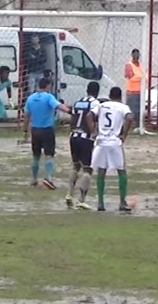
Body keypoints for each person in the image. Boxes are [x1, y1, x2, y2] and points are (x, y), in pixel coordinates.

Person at [86, 87, 134, 212]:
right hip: (114, 141)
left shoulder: (102, 105)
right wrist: (124, 134)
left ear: (109, 95)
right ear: (120, 96)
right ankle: (122, 202)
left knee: (101, 170)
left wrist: (93, 131)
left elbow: (89, 115)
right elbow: (129, 118)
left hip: (101, 141)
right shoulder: (123, 107)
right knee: (121, 171)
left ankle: (100, 203)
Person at [24, 78, 72, 189]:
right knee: (49, 155)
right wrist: (70, 111)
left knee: (35, 156)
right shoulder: (49, 97)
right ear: (47, 86)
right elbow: (59, 106)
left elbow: (27, 115)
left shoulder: (30, 98)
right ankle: (48, 178)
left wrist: (25, 130)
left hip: (35, 130)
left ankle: (34, 179)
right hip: (47, 130)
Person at [66, 81, 101, 210]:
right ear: (97, 92)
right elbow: (89, 116)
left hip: (74, 136)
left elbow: (73, 118)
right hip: (85, 138)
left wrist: (72, 130)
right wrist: (93, 133)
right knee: (88, 169)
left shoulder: (78, 102)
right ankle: (81, 199)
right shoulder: (95, 103)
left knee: (75, 165)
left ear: (87, 90)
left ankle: (69, 194)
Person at [124, 48, 143, 132]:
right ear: (132, 55)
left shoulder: (141, 66)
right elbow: (131, 77)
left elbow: (146, 77)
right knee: (132, 111)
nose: (136, 56)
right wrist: (140, 78)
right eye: (135, 54)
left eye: (138, 54)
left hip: (140, 92)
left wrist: (140, 78)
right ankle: (128, 127)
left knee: (139, 111)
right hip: (132, 92)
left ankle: (138, 126)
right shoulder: (129, 65)